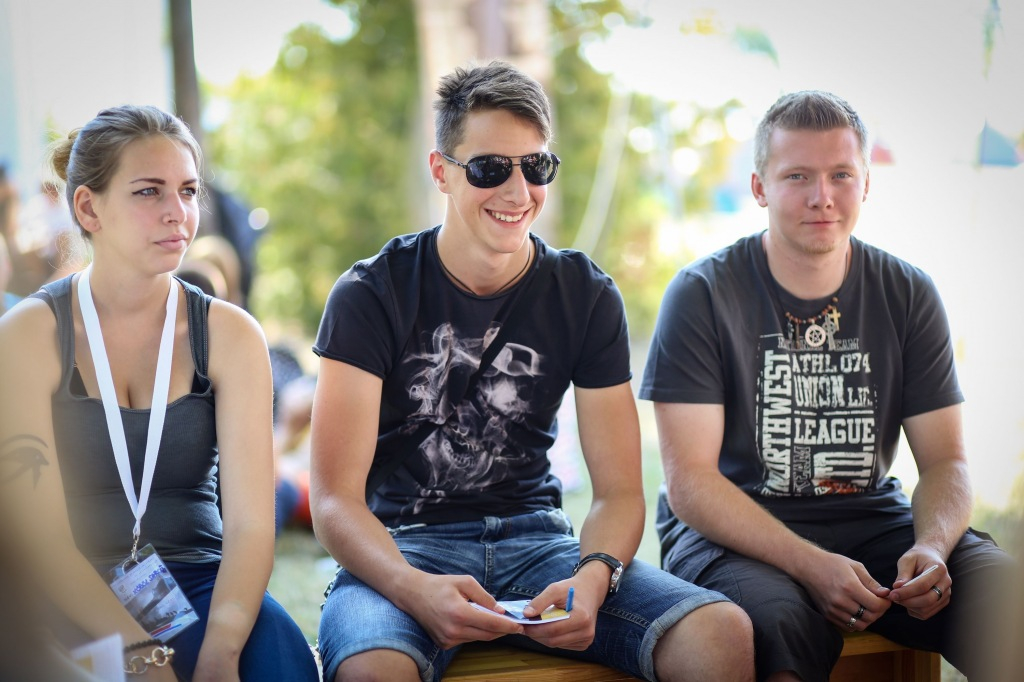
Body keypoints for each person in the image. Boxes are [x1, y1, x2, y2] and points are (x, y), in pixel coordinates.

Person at [310, 61, 754, 682]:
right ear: (441, 171)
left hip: (540, 542)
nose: (519, 193)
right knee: (372, 670)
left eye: (536, 166)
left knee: (720, 631)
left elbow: (619, 492)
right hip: (403, 547)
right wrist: (411, 588)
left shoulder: (585, 294)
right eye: (490, 169)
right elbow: (334, 501)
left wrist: (594, 576)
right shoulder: (370, 293)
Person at [640, 90, 1014, 681]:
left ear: (866, 184)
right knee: (774, 630)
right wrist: (813, 566)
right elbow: (690, 483)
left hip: (871, 519)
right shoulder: (702, 293)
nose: (823, 197)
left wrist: (933, 546)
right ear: (760, 187)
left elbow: (946, 461)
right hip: (733, 532)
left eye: (841, 174)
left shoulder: (908, 292)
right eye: (797, 176)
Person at [0, 105, 317, 681]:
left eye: (188, 191)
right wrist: (138, 652)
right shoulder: (27, 334)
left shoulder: (230, 334)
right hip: (62, 592)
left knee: (277, 662)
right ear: (88, 208)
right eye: (149, 191)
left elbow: (250, 526)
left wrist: (223, 647)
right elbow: (39, 540)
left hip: (200, 584)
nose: (178, 212)